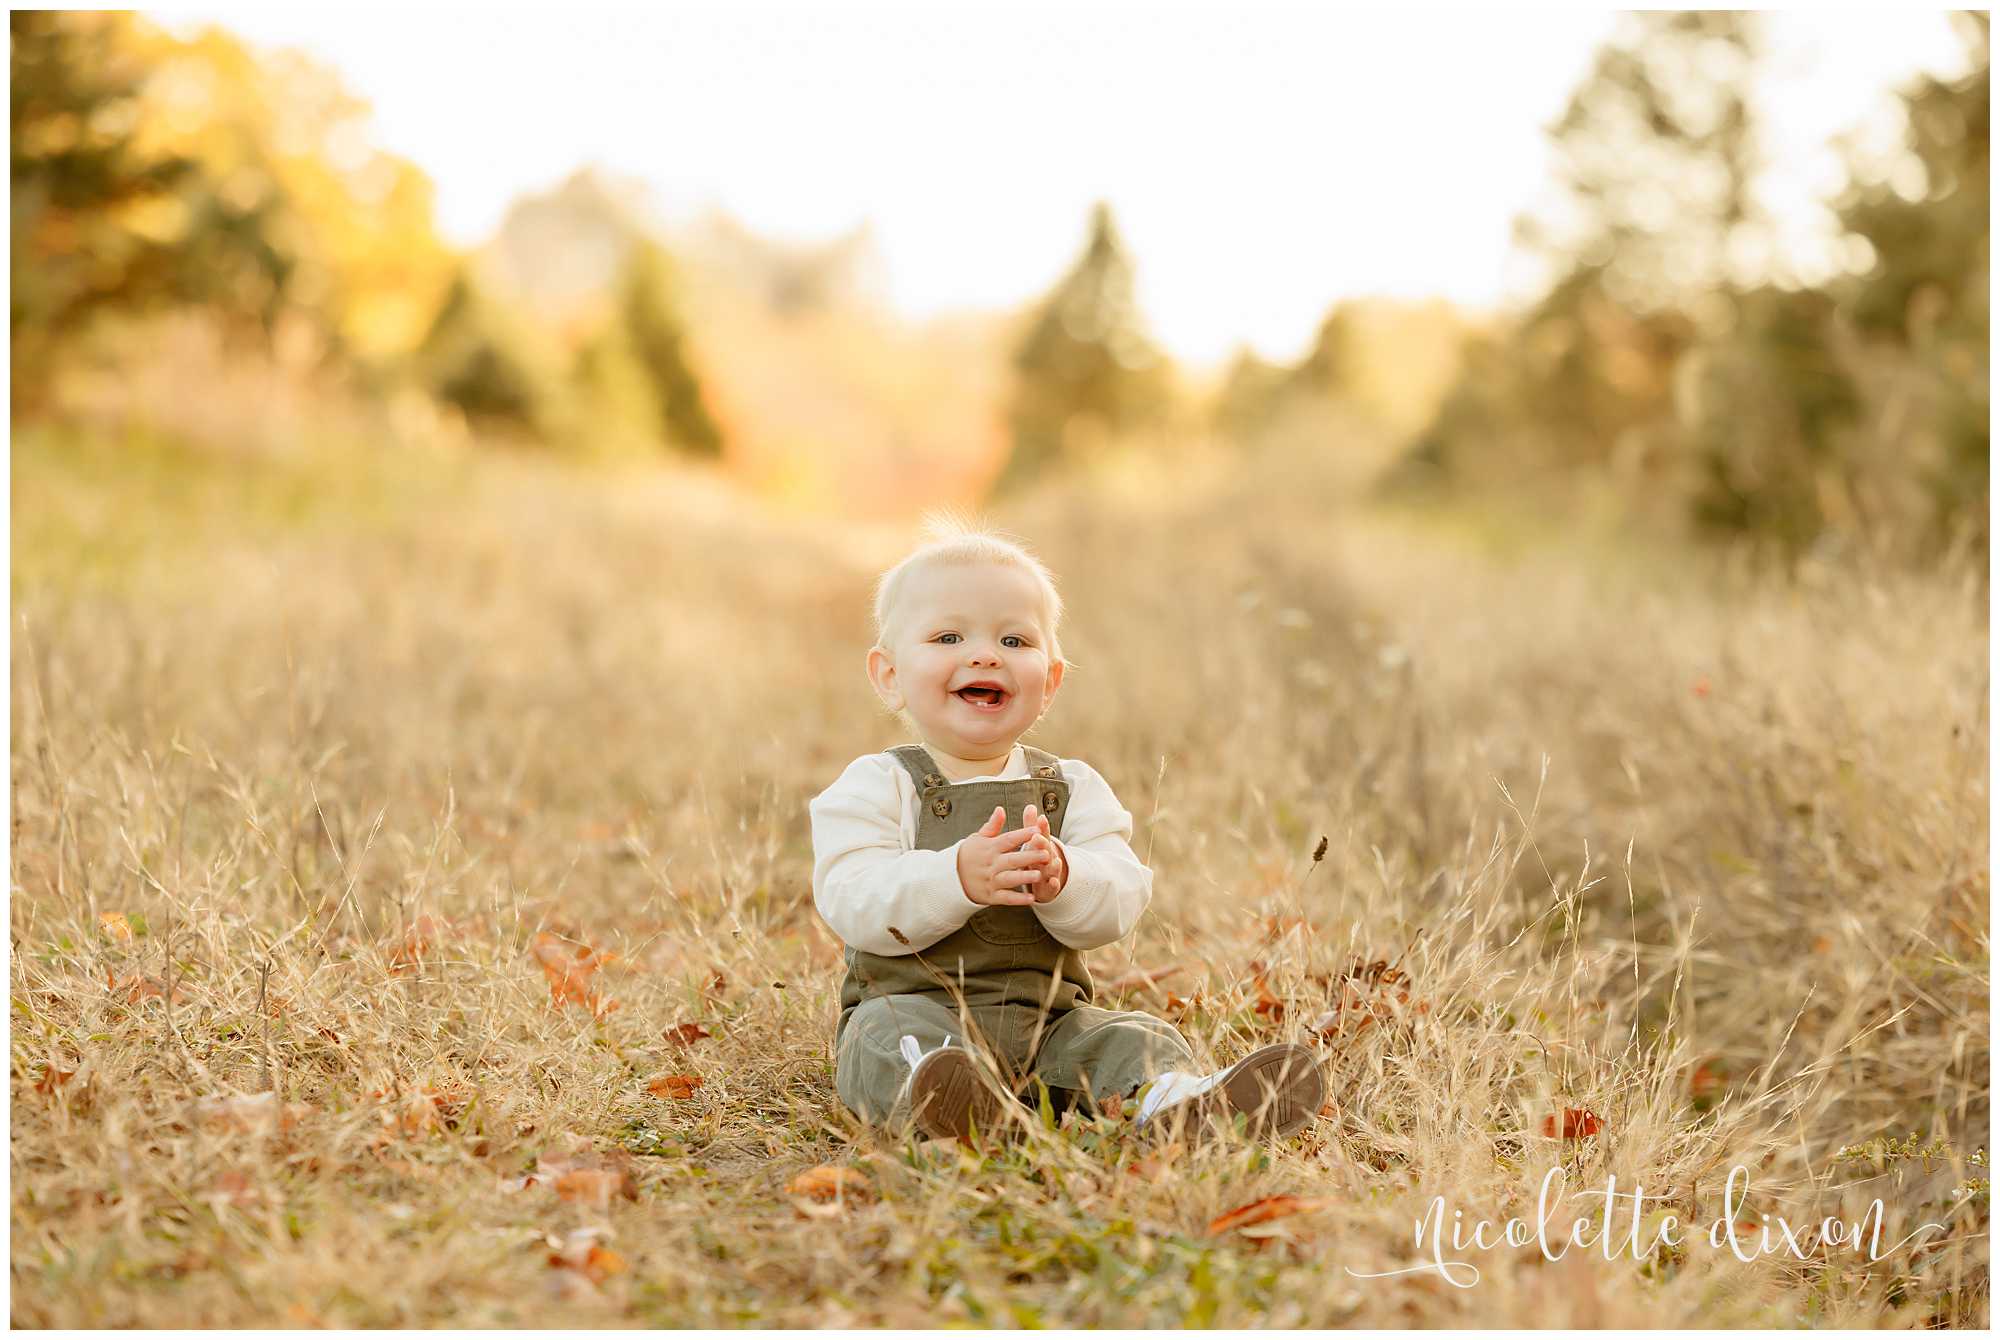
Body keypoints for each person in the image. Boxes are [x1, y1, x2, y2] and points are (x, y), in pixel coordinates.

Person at [809, 519, 1323, 1142]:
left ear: (1050, 682)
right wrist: (956, 876)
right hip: (916, 1010)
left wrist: (1066, 879)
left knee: (1133, 1037)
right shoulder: (876, 784)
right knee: (886, 1042)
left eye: (1014, 639)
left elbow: (1120, 900)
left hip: (1049, 1026)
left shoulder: (1071, 788)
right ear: (889, 674)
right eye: (948, 636)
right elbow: (852, 898)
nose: (983, 654)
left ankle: (1178, 1104)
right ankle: (950, 1104)